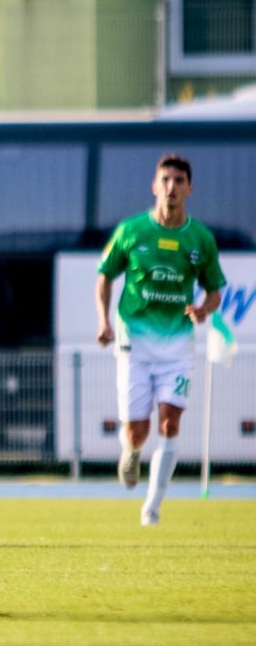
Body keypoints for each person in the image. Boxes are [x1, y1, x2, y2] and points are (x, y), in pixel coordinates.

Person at [96, 154, 225, 526]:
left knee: (170, 422)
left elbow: (215, 289)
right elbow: (104, 276)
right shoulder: (132, 231)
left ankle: (152, 508)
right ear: (155, 186)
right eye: (165, 179)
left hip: (178, 347)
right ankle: (131, 452)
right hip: (134, 345)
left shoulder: (200, 238)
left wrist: (203, 309)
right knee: (138, 430)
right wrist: (103, 321)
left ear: (189, 188)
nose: (172, 187)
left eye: (179, 180)